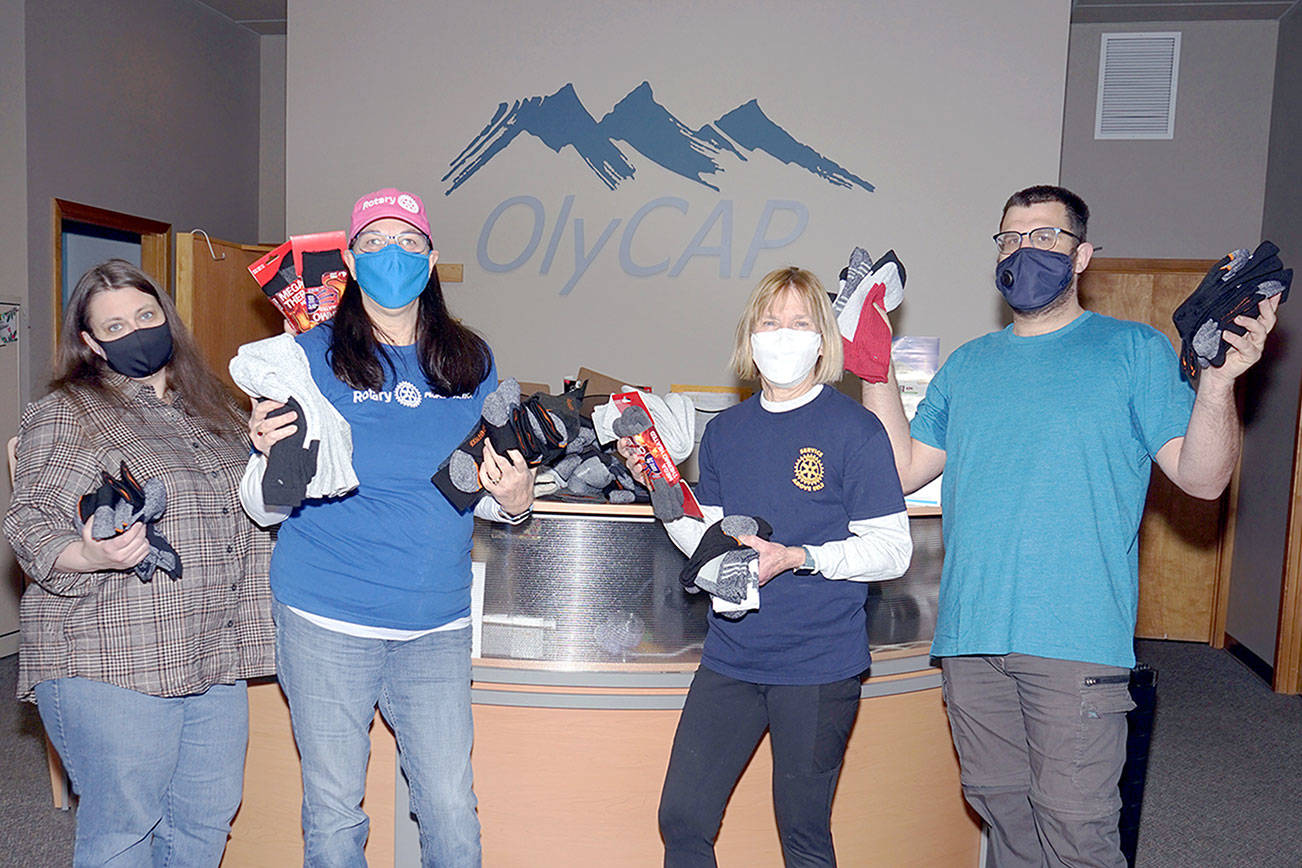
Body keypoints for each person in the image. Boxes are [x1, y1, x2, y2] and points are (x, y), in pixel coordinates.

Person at [860, 185, 1279, 867]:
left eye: (1045, 237)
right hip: (970, 636)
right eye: (1010, 238)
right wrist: (874, 370)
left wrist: (1219, 384)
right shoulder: (969, 364)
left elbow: (1203, 479)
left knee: (1077, 834)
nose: (1025, 250)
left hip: (1075, 639)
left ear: (1081, 255)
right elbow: (898, 470)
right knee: (1004, 820)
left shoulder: (1132, 351)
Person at [239, 187, 533, 867]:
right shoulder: (304, 357)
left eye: (407, 241)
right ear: (349, 259)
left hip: (435, 621)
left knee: (451, 809)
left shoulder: (469, 360)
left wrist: (515, 500)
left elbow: (475, 490)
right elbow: (263, 507)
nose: (390, 254)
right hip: (326, 616)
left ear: (431, 261)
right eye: (373, 242)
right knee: (336, 813)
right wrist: (264, 454)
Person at [619, 266, 912, 867]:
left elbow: (892, 548)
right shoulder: (725, 432)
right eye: (770, 322)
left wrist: (801, 558)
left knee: (802, 833)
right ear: (748, 336)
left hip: (818, 664)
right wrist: (663, 490)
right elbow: (714, 547)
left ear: (824, 338)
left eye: (800, 322)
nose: (783, 335)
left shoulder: (855, 430)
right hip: (733, 656)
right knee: (683, 818)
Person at [3, 260, 275, 866]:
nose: (136, 332)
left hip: (212, 654)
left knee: (205, 821)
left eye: (146, 316)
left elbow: (257, 512)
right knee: (126, 828)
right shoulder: (68, 411)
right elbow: (29, 521)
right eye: (116, 325)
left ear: (168, 320)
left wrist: (268, 455)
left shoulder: (219, 413)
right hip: (110, 652)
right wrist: (89, 552)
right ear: (90, 342)